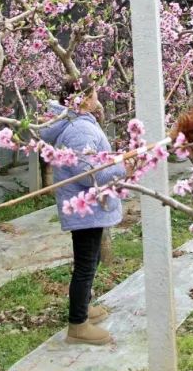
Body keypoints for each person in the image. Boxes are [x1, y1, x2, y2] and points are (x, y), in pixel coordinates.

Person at [39, 78, 127, 346]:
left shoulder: (78, 122)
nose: (99, 97)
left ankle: (85, 306)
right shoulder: (79, 130)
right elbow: (89, 174)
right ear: (85, 99)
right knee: (85, 265)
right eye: (95, 93)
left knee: (92, 258)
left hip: (89, 206)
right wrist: (123, 167)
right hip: (85, 207)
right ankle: (77, 325)